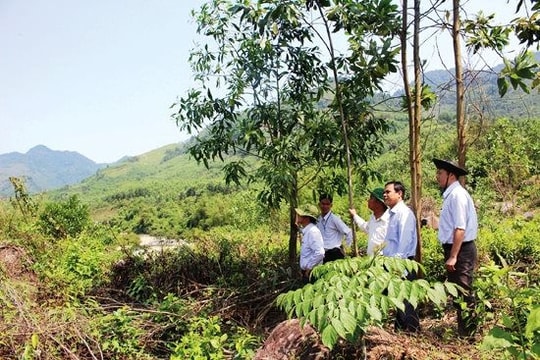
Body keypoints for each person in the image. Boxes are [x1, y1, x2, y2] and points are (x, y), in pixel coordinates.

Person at [433, 158, 478, 337]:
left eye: (440, 173)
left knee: (463, 290)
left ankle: (468, 334)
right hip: (457, 249)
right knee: (458, 291)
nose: (437, 176)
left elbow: (460, 228)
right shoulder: (451, 195)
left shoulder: (457, 195)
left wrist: (453, 256)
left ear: (451, 175)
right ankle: (464, 331)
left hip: (461, 250)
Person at [382, 181, 420, 332]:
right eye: (384, 193)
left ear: (399, 194)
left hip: (402, 263)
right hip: (394, 263)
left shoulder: (404, 214)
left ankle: (412, 334)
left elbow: (404, 242)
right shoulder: (393, 214)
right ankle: (400, 333)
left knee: (407, 301)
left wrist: (396, 266)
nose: (384, 195)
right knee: (399, 300)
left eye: (388, 192)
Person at [348, 187, 389, 256]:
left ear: (379, 203)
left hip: (383, 260)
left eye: (371, 198)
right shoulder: (373, 217)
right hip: (371, 260)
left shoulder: (388, 220)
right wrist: (355, 215)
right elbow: (365, 227)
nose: (368, 200)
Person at [317, 194, 353, 263]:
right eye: (323, 204)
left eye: (327, 204)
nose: (325, 206)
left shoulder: (334, 219)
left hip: (335, 254)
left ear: (331, 205)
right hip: (322, 254)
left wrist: (346, 248)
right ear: (319, 204)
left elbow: (349, 232)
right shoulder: (318, 220)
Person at [295, 205, 325, 284]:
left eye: (299, 215)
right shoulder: (308, 231)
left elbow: (320, 253)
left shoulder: (313, 232)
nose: (297, 216)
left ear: (306, 218)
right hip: (308, 271)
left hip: (311, 273)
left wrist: (309, 269)